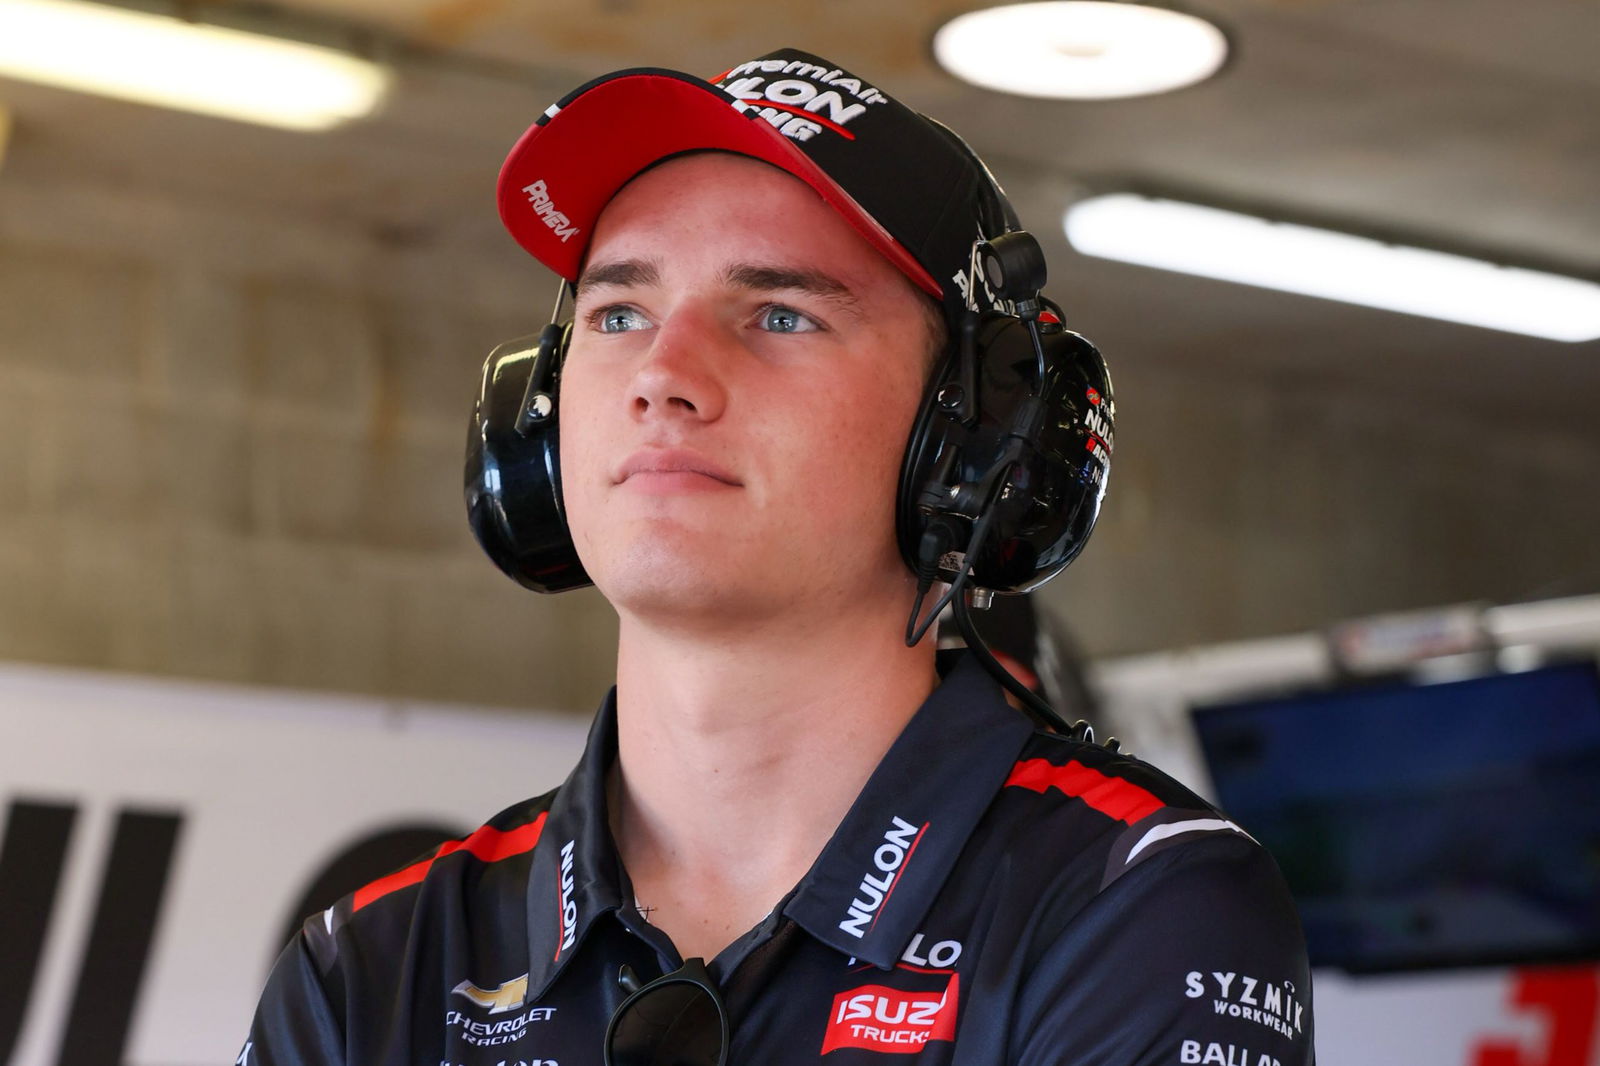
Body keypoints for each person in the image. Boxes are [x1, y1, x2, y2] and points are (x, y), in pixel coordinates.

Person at [240, 48, 1313, 1065]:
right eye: (618, 310)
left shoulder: (1136, 901)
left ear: (975, 438)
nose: (663, 374)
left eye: (780, 314)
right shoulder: (372, 965)